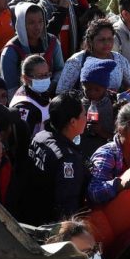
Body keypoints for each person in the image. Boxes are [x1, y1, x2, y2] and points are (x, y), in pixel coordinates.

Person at [25, 91, 90, 225]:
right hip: (50, 227)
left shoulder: (40, 137)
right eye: (84, 114)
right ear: (73, 122)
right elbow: (66, 207)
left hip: (30, 213)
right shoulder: (67, 159)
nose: (87, 117)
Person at [0, 2, 64, 94]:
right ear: (21, 25)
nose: (37, 27)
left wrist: (52, 85)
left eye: (40, 21)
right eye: (31, 23)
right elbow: (10, 88)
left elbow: (60, 69)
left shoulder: (53, 42)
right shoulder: (10, 51)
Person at [10, 55, 53, 134]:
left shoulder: (41, 93)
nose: (44, 79)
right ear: (26, 78)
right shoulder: (24, 106)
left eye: (46, 74)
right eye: (40, 76)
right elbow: (23, 138)